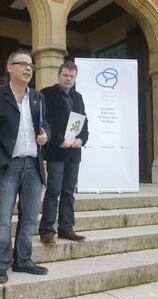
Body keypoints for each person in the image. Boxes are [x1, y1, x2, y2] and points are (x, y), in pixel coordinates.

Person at [0, 49, 50, 284]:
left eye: (31, 65)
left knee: (29, 217)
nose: (29, 68)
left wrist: (46, 134)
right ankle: (0, 263)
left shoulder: (38, 97)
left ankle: (23, 260)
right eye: (23, 64)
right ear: (10, 67)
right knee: (2, 217)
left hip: (34, 165)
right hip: (8, 165)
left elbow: (45, 124)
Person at [39, 60, 89, 246]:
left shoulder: (78, 97)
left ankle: (66, 229)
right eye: (65, 76)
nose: (68, 79)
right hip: (56, 151)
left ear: (75, 78)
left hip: (74, 153)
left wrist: (81, 140)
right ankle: (46, 231)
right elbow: (45, 121)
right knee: (53, 191)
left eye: (72, 76)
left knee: (68, 192)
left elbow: (84, 122)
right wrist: (59, 139)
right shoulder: (47, 94)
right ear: (58, 76)